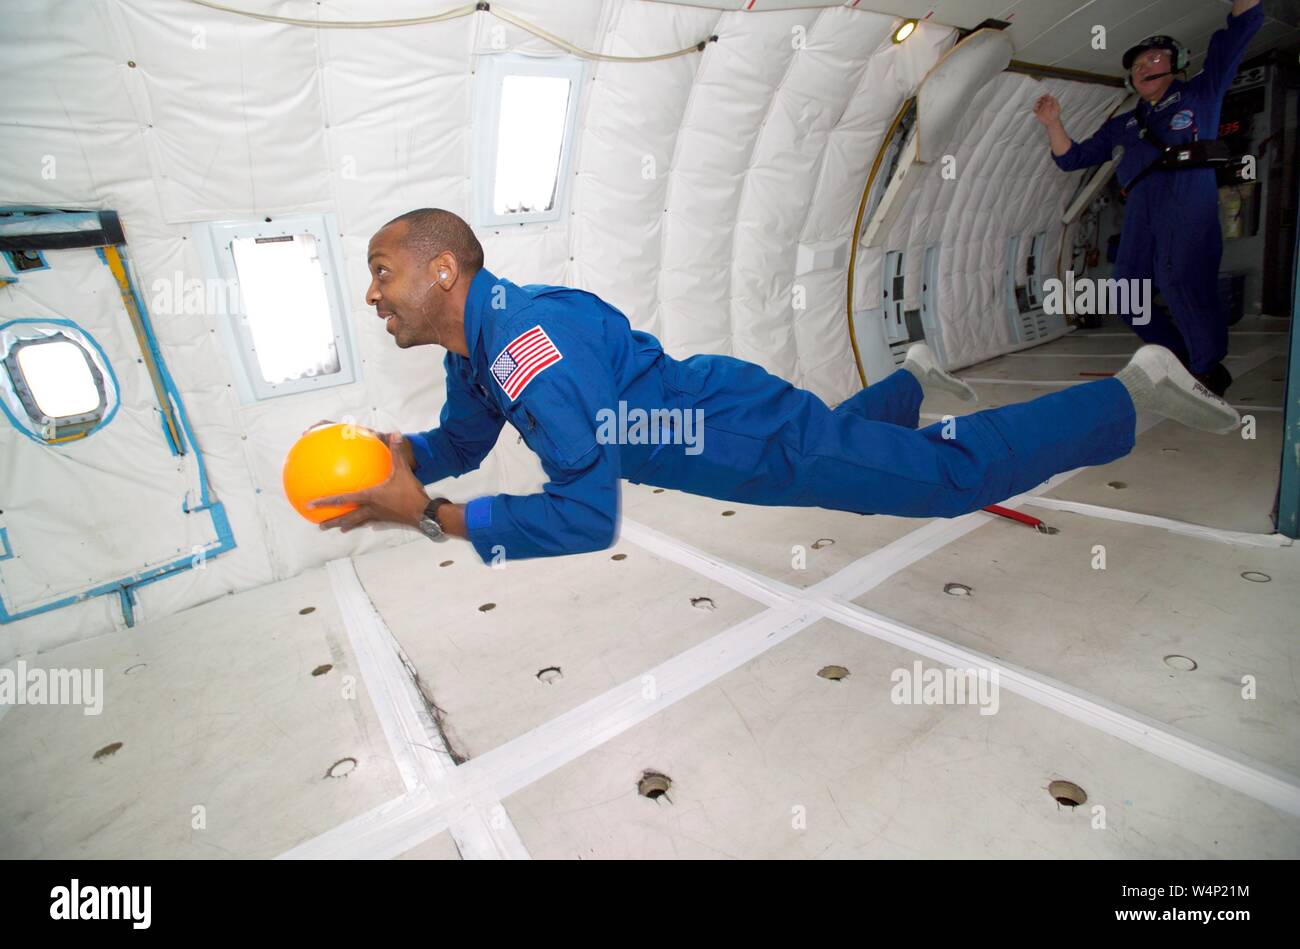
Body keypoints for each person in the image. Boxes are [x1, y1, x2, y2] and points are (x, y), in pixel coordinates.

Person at [310, 208, 1239, 562]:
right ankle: (910, 380)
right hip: (719, 428)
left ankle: (1130, 390)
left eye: (383, 268)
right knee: (837, 440)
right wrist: (407, 461)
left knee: (944, 481)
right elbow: (464, 440)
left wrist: (428, 516)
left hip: (735, 434)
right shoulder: (475, 346)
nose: (372, 291)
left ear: (441, 272)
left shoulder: (525, 348)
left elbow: (587, 517)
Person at [1033, 0, 1265, 396]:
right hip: (1141, 209)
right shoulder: (1124, 123)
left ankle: (1208, 368)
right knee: (1127, 292)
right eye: (1136, 65)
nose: (1143, 68)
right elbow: (1073, 158)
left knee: (1182, 282)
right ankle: (1177, 361)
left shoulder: (1200, 95)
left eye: (1153, 59)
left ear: (1176, 64)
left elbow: (1238, 34)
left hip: (1187, 200)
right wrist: (1054, 123)